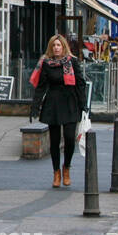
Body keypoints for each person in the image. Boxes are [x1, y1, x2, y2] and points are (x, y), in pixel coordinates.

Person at [30, 33, 88, 189]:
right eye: (54, 45)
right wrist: (35, 106)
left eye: (59, 45)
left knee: (69, 138)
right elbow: (41, 86)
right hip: (53, 103)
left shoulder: (72, 62)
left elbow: (80, 84)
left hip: (70, 102)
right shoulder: (46, 63)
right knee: (54, 141)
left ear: (63, 47)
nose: (56, 48)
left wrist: (83, 104)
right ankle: (56, 172)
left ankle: (66, 167)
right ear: (51, 47)